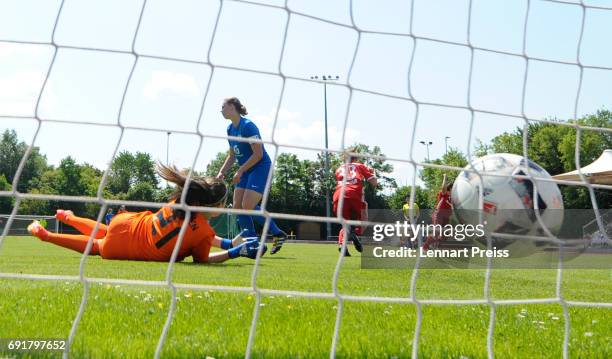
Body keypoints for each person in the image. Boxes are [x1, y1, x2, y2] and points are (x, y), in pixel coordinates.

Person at [27, 164, 266, 263]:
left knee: (107, 231)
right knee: (99, 245)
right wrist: (234, 252)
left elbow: (191, 234)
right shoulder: (202, 231)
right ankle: (47, 235)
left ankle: (67, 217)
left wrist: (227, 241)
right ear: (213, 206)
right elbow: (203, 259)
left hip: (127, 222)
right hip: (124, 247)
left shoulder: (178, 202)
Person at [216, 97, 287, 255]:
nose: (221, 110)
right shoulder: (230, 129)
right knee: (237, 208)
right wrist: (222, 171)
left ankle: (276, 234)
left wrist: (240, 171)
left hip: (261, 167)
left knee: (247, 206)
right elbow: (232, 155)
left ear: (233, 107)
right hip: (247, 170)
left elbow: (258, 154)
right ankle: (254, 244)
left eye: (223, 107)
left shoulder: (248, 126)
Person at [333, 148, 378, 256]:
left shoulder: (338, 168)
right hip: (353, 195)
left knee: (345, 224)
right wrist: (373, 173)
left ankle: (342, 245)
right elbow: (374, 183)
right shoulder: (359, 166)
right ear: (356, 157)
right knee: (363, 219)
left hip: (338, 195)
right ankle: (355, 234)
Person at [423, 174, 453, 250]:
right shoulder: (444, 194)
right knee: (436, 232)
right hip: (439, 214)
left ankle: (435, 246)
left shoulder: (453, 198)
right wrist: (445, 178)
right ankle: (425, 247)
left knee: (445, 234)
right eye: (453, 188)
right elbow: (443, 187)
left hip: (446, 217)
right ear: (449, 189)